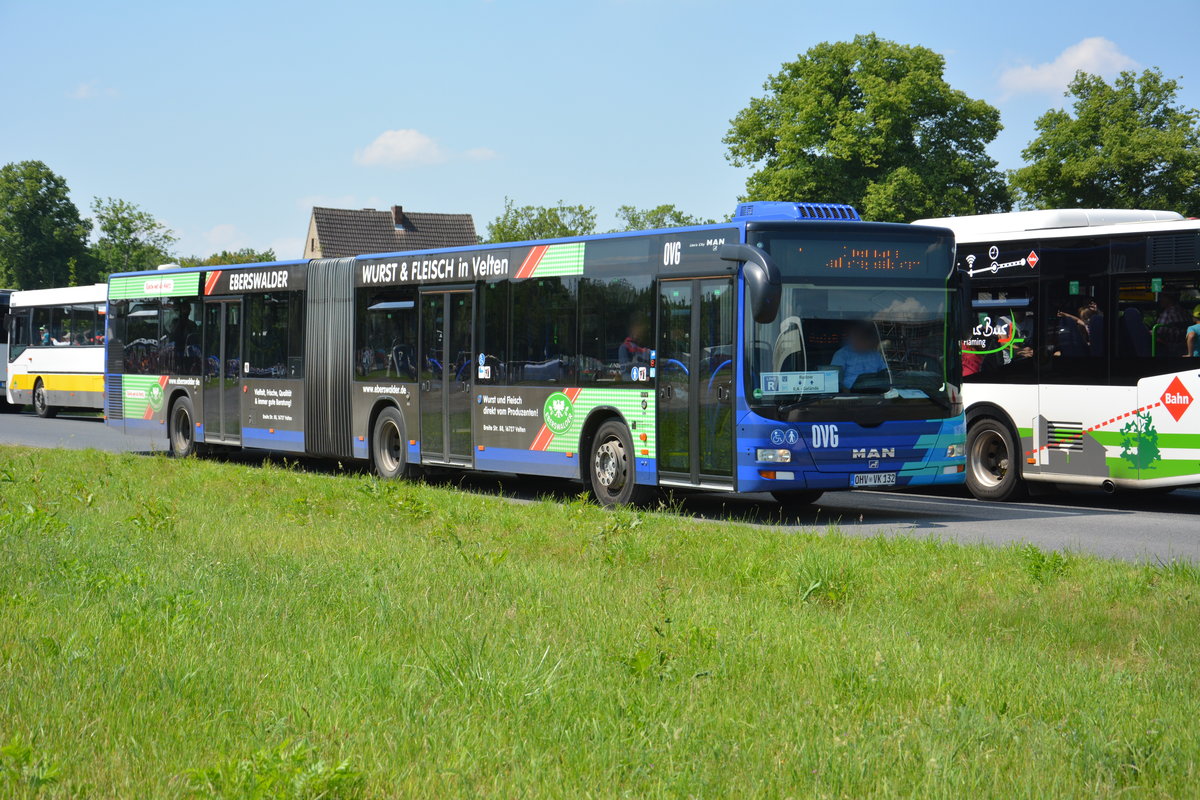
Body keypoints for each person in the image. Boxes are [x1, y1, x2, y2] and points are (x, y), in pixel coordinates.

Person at [832, 323, 887, 390]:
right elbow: (834, 381)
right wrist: (846, 392)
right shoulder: (841, 354)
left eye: (863, 337)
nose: (861, 339)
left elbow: (885, 373)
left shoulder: (876, 355)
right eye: (857, 336)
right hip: (850, 394)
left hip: (876, 391)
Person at [1155, 292, 1191, 356]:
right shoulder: (1185, 312)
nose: (1160, 300)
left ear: (1168, 299)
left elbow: (1159, 333)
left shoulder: (1166, 314)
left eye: (1162, 297)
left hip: (1169, 349)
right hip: (1186, 347)